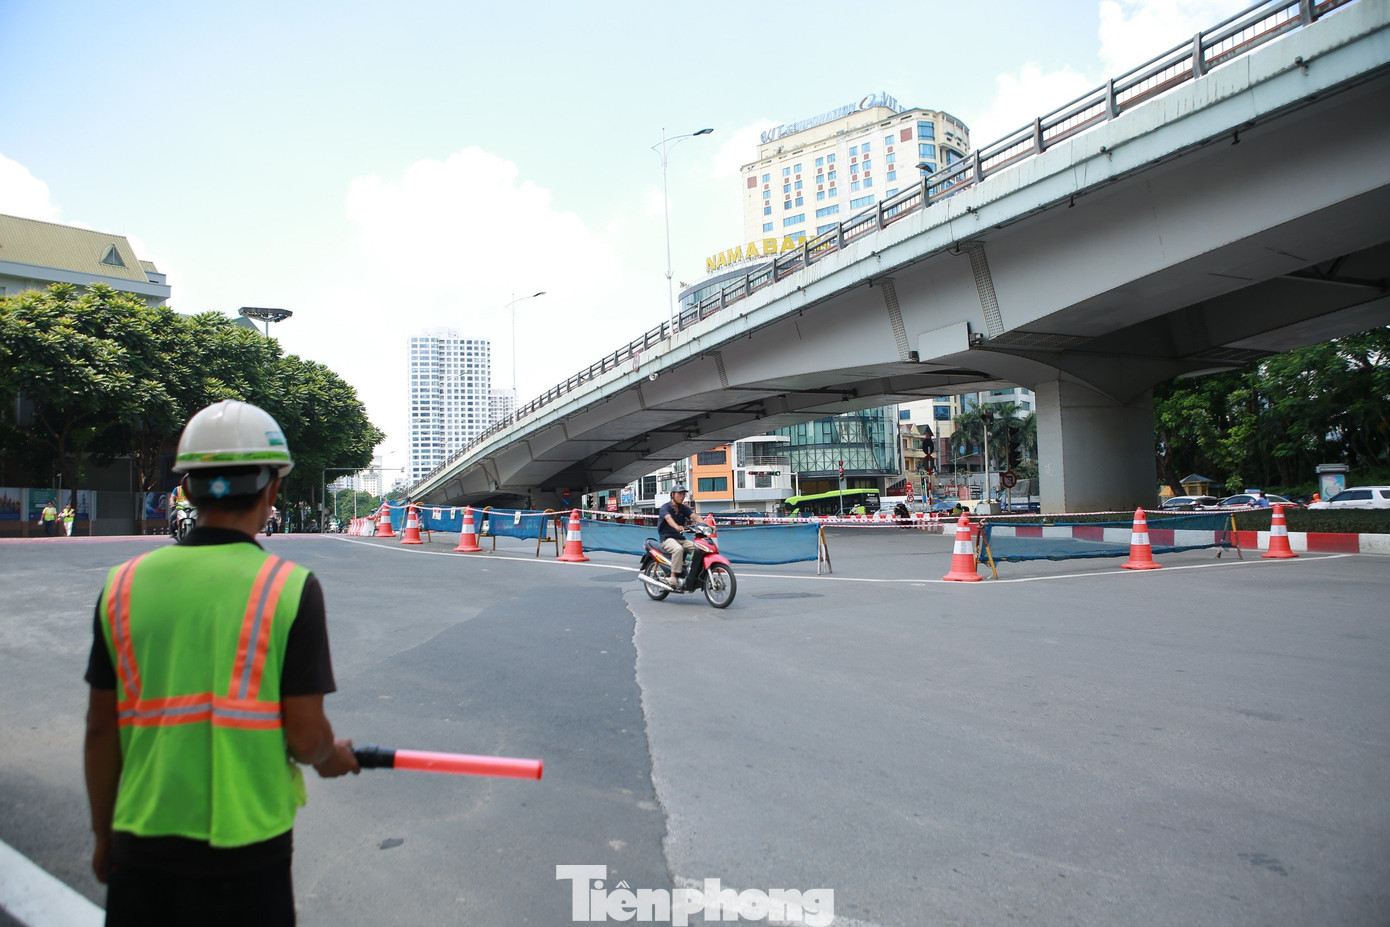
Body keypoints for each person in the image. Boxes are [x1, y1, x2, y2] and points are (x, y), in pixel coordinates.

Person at [83, 399, 358, 926]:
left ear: (185, 488)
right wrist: (330, 756)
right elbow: (305, 737)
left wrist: (104, 836)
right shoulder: (291, 588)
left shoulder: (121, 586)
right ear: (273, 489)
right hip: (248, 849)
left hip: (142, 841)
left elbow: (100, 730)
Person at [657, 484, 696, 589]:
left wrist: (707, 525)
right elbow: (669, 519)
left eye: (683, 494)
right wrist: (676, 526)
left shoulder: (684, 508)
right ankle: (673, 576)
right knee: (678, 549)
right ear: (672, 494)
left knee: (698, 548)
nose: (682, 496)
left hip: (680, 538)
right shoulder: (665, 507)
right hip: (667, 538)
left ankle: (692, 571)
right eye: (679, 494)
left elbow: (695, 516)